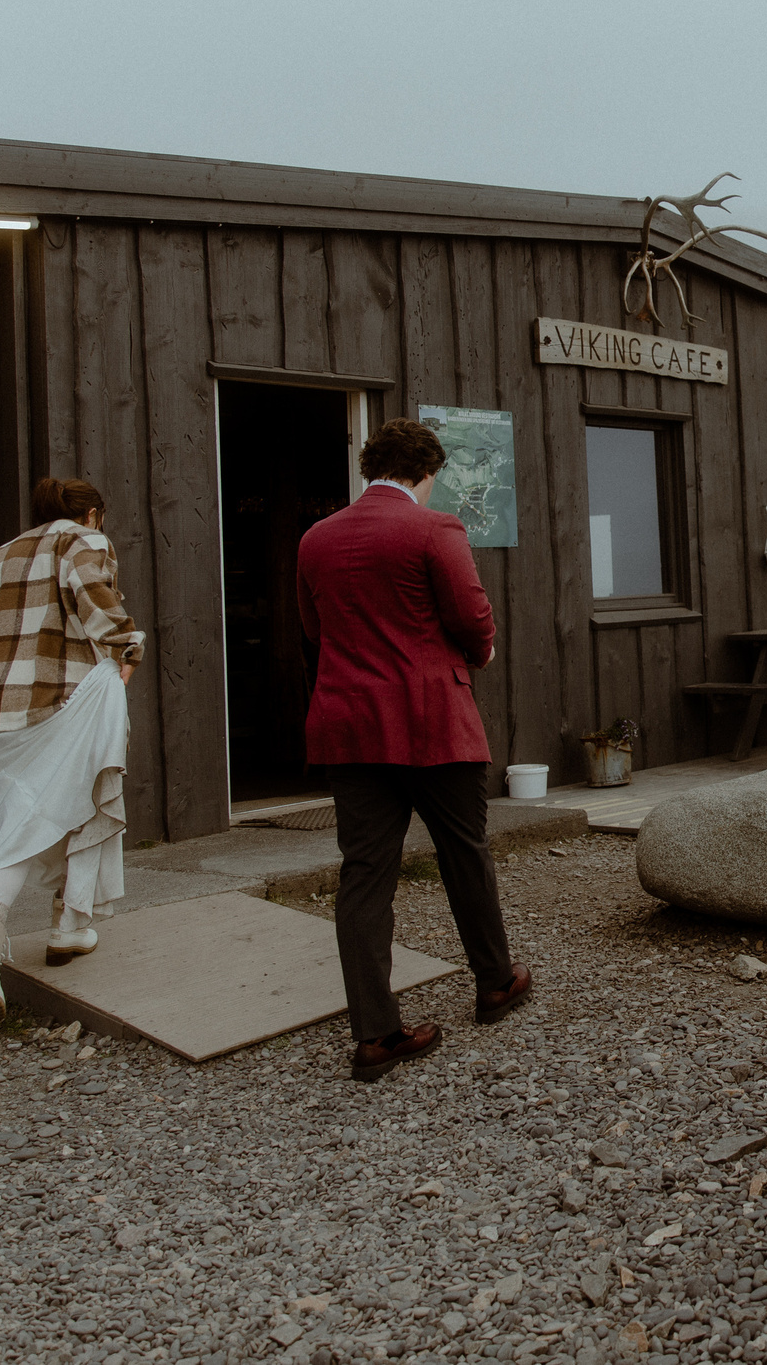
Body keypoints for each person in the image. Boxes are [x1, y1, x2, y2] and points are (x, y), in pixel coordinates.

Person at [298, 418, 531, 1082]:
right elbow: (471, 616)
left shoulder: (316, 538)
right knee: (464, 853)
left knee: (364, 876)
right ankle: (494, 982)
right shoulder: (436, 528)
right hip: (434, 720)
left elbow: (313, 630)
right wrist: (478, 652)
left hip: (350, 725)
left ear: (371, 466)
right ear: (427, 472)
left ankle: (375, 1035)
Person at [0, 477, 144, 1021]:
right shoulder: (83, 541)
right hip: (62, 700)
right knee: (83, 801)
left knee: (17, 821)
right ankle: (34, 931)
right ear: (91, 515)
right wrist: (131, 647)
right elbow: (97, 603)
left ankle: (29, 933)